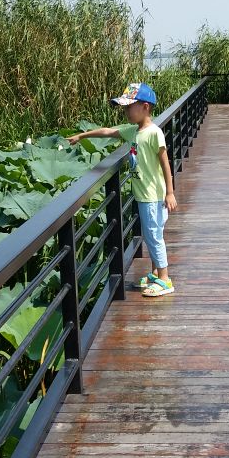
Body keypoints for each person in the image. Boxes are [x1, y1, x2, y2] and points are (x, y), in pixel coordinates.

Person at [68, 82, 177, 297]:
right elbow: (108, 131)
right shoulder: (133, 131)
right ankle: (156, 273)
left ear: (145, 107)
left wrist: (170, 192)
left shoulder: (154, 133)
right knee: (150, 234)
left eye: (129, 106)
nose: (126, 111)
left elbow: (165, 162)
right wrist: (82, 136)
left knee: (153, 235)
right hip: (144, 194)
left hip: (153, 195)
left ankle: (165, 279)